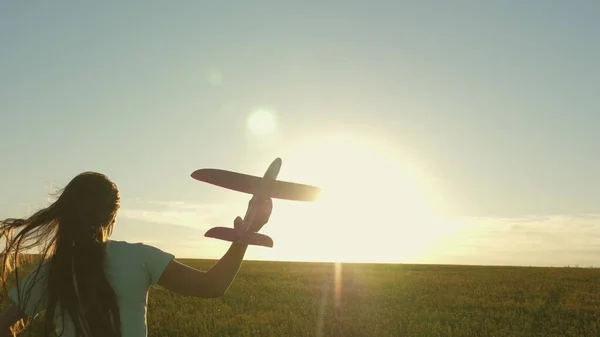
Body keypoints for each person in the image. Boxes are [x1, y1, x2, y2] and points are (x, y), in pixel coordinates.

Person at [0, 171, 272, 337]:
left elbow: (4, 325)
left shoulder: (51, 269)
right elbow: (212, 285)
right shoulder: (139, 259)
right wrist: (247, 232)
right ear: (113, 215)